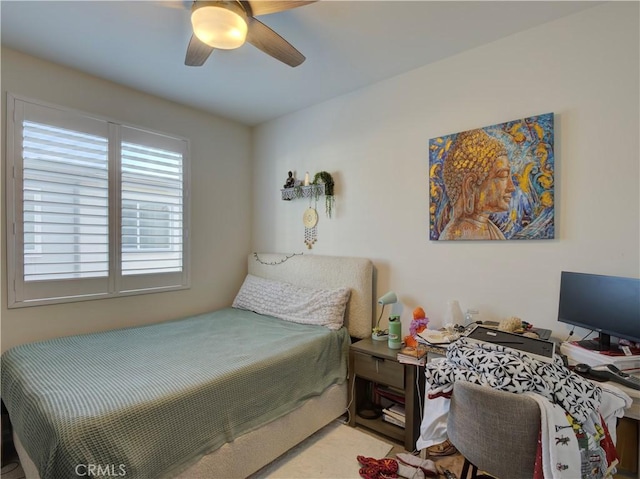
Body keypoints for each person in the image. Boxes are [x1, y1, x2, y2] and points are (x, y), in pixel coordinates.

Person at [439, 129, 515, 240]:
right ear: (470, 186)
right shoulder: (454, 236)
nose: (511, 187)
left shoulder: (492, 231)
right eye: (503, 175)